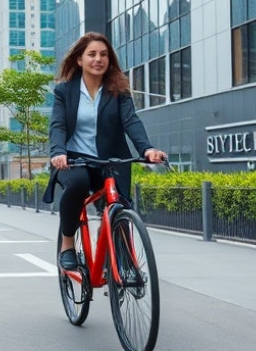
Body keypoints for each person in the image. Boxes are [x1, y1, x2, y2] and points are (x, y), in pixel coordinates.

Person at [44, 32, 166, 271]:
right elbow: (57, 125)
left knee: (118, 204)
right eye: (91, 54)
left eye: (103, 54)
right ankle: (67, 245)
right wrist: (58, 152)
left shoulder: (118, 90)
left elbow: (131, 121)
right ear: (80, 59)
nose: (98, 59)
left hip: (110, 160)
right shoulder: (65, 91)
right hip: (73, 161)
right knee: (78, 184)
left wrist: (147, 148)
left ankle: (118, 250)